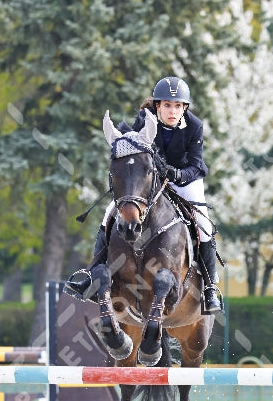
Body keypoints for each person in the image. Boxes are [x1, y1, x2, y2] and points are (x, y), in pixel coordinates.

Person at [65, 76, 222, 313]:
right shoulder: (144, 121)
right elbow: (133, 155)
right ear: (157, 106)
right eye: (167, 105)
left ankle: (210, 287)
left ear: (184, 108)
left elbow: (197, 166)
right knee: (110, 213)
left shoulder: (194, 126)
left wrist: (177, 175)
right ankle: (90, 274)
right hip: (149, 180)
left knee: (203, 224)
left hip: (183, 180)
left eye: (178, 106)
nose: (173, 111)